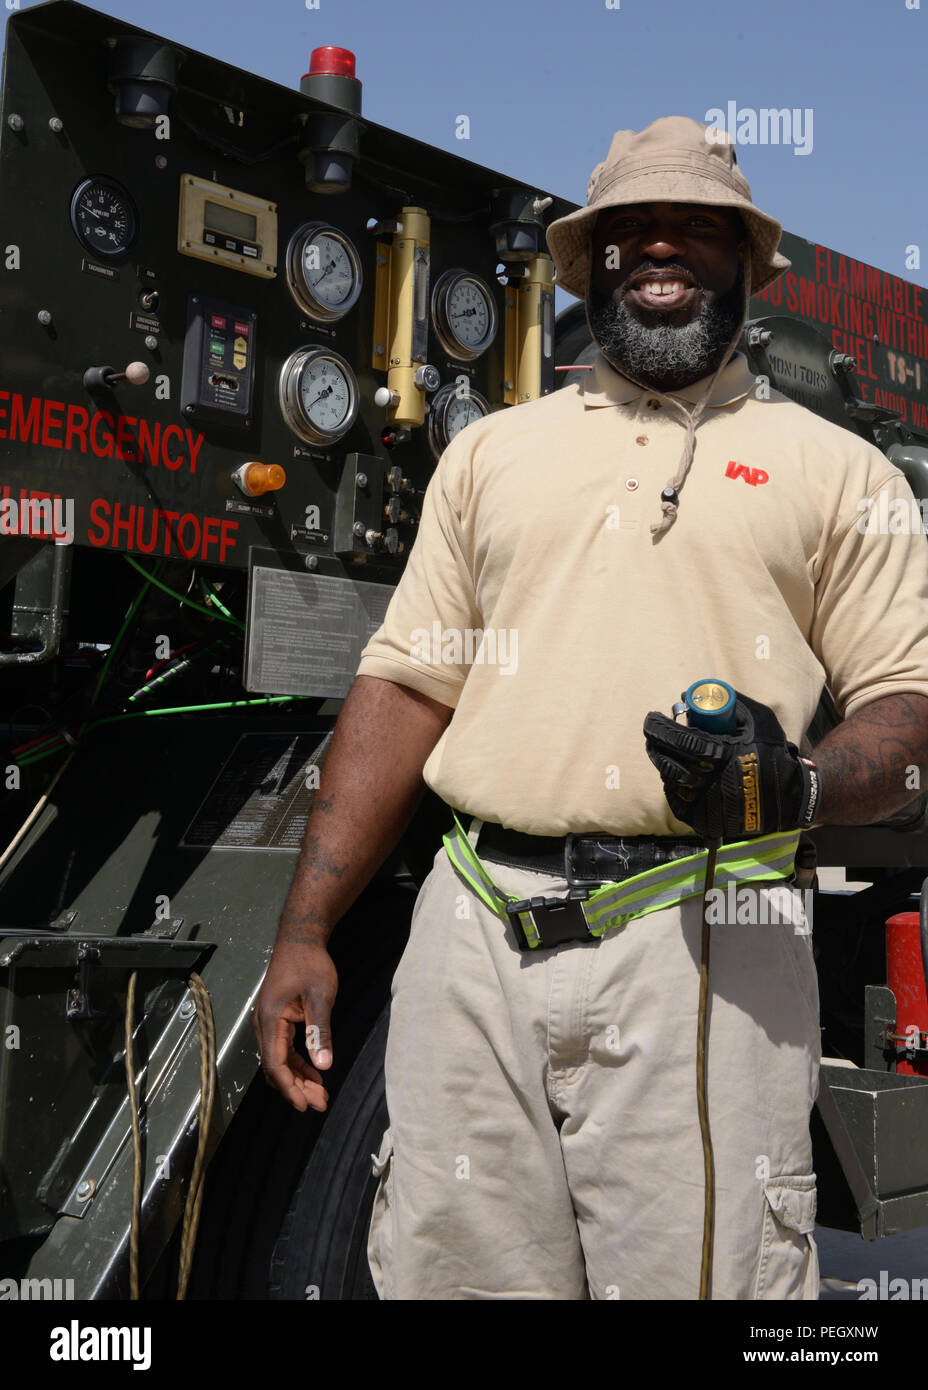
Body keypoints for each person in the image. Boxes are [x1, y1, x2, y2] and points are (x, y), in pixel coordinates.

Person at [253, 116, 928, 1300]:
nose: (661, 254)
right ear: (589, 266)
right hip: (474, 930)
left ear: (745, 264)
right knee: (449, 1274)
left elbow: (906, 709)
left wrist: (803, 782)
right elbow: (406, 684)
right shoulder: (491, 458)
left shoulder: (836, 471)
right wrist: (305, 928)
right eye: (633, 235)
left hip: (703, 937)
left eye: (697, 233)